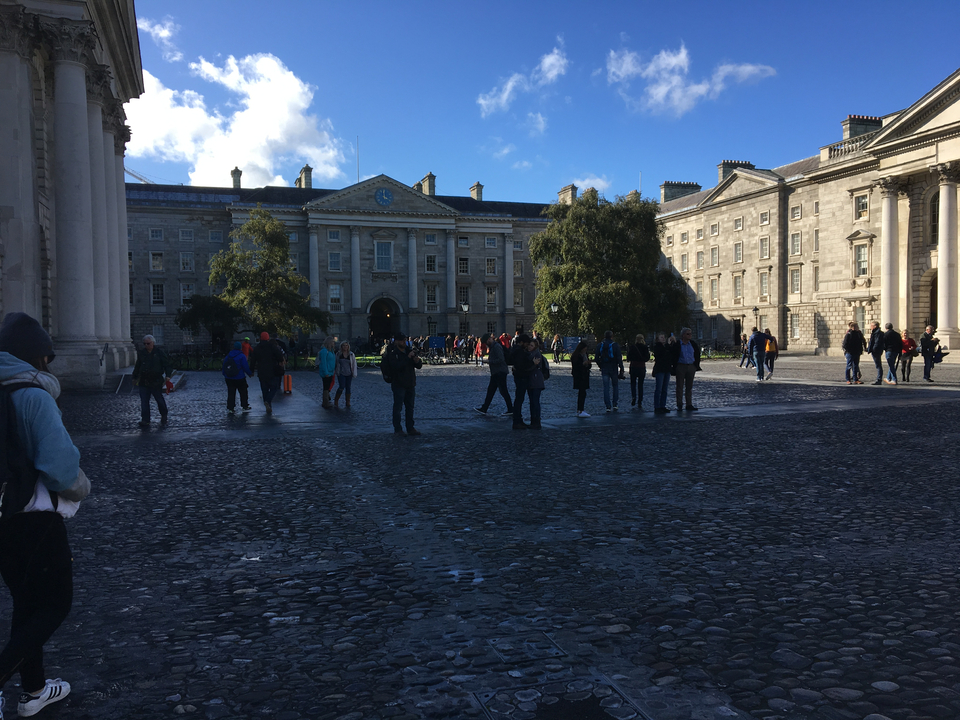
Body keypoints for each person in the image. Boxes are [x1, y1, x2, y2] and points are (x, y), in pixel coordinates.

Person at [0, 312, 91, 718]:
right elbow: (59, 467)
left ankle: (35, 689)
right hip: (33, 516)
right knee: (54, 604)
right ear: (37, 357)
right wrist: (81, 488)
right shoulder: (32, 394)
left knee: (26, 602)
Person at [385, 332, 423, 435]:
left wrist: (416, 361)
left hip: (410, 383)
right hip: (399, 384)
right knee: (398, 408)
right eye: (402, 340)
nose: (404, 342)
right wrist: (407, 358)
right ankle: (398, 429)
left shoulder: (408, 351)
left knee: (410, 408)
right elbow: (395, 367)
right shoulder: (393, 353)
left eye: (405, 340)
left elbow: (419, 366)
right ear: (396, 341)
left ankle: (410, 428)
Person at [132, 334, 173, 428]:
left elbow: (167, 365)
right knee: (144, 402)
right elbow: (138, 366)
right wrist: (134, 377)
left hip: (156, 380)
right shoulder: (142, 353)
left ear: (153, 343)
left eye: (148, 343)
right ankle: (145, 420)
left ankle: (164, 415)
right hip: (144, 380)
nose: (146, 345)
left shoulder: (159, 353)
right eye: (145, 344)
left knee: (159, 399)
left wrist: (168, 375)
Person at [475, 333, 513, 416]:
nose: (486, 344)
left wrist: (489, 361)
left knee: (503, 391)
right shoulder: (493, 347)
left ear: (489, 339)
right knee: (491, 391)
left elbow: (501, 359)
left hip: (500, 372)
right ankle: (484, 408)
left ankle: (510, 409)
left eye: (486, 342)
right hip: (496, 372)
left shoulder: (496, 347)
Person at [511, 334, 544, 429]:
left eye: (531, 345)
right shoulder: (521, 352)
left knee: (533, 401)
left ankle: (535, 421)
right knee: (524, 400)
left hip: (534, 380)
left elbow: (528, 367)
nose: (528, 346)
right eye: (528, 344)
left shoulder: (532, 354)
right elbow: (524, 366)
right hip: (524, 379)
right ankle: (522, 421)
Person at [250, 332, 285, 415]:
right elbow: (279, 355)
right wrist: (280, 361)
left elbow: (253, 361)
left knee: (264, 388)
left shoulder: (257, 348)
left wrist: (251, 371)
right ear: (268, 338)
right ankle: (268, 401)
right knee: (274, 387)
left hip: (261, 371)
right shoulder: (272, 346)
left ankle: (268, 404)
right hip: (272, 370)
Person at [669, 327, 702, 411]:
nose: (690, 335)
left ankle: (689, 404)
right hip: (681, 366)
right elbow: (673, 355)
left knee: (689, 386)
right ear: (683, 335)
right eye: (688, 334)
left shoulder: (693, 344)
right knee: (679, 386)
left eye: (690, 334)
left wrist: (695, 365)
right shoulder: (678, 344)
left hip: (691, 366)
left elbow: (697, 354)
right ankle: (679, 404)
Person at [595, 330, 624, 412]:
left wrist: (600, 366)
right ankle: (615, 404)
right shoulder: (615, 345)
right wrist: (621, 368)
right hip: (614, 368)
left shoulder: (600, 345)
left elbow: (596, 358)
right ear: (612, 336)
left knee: (606, 387)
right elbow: (619, 358)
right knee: (615, 386)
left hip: (604, 367)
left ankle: (608, 405)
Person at [222, 341, 253, 413]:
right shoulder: (242, 356)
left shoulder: (229, 355)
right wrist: (250, 373)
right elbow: (245, 367)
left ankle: (231, 408)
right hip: (240, 377)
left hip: (229, 378)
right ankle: (244, 406)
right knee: (243, 392)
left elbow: (224, 366)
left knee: (231, 393)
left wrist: (225, 374)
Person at [626, 335, 650, 409]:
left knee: (633, 383)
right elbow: (647, 358)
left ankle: (634, 396)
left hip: (633, 367)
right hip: (641, 367)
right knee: (640, 385)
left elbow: (628, 357)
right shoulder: (645, 347)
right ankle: (640, 400)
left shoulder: (633, 347)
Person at [651, 333, 672, 413]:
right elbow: (661, 354)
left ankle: (663, 405)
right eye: (661, 337)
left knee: (665, 389)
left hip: (667, 369)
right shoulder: (657, 347)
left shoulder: (666, 346)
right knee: (659, 389)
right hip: (660, 369)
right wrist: (668, 346)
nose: (663, 338)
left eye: (664, 337)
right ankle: (657, 406)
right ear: (658, 339)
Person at [570, 340, 591, 417]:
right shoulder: (577, 356)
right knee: (582, 393)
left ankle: (580, 409)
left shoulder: (584, 355)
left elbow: (588, 366)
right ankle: (580, 410)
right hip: (580, 376)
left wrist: (588, 364)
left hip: (584, 375)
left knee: (582, 393)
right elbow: (576, 367)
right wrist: (583, 364)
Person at [333, 341, 357, 408]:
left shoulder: (351, 354)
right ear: (341, 346)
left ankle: (348, 401)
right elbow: (336, 363)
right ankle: (336, 400)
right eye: (343, 345)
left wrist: (354, 373)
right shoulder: (338, 354)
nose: (345, 347)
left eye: (346, 345)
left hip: (349, 373)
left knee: (348, 387)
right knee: (341, 386)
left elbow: (354, 364)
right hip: (341, 373)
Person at [317, 337, 337, 409]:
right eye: (332, 342)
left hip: (331, 371)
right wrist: (326, 372)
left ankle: (326, 400)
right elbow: (323, 363)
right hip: (327, 372)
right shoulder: (324, 351)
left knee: (328, 386)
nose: (333, 343)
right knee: (326, 387)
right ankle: (325, 402)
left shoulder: (331, 351)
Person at [866, 321, 884, 385]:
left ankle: (879, 379)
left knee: (878, 365)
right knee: (878, 365)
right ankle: (879, 379)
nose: (870, 327)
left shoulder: (877, 333)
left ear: (875, 326)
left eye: (871, 326)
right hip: (876, 350)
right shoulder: (876, 332)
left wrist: (873, 349)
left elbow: (876, 342)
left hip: (876, 351)